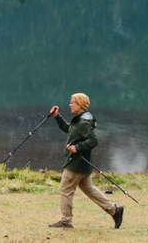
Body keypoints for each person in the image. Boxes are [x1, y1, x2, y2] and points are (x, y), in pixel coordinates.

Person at [47, 93, 123, 229]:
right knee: (89, 189)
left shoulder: (84, 122)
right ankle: (114, 210)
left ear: (80, 105)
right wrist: (58, 117)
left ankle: (65, 221)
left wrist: (78, 147)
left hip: (76, 164)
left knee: (65, 190)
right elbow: (69, 129)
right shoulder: (80, 119)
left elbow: (93, 140)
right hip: (81, 164)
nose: (70, 104)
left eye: (72, 102)